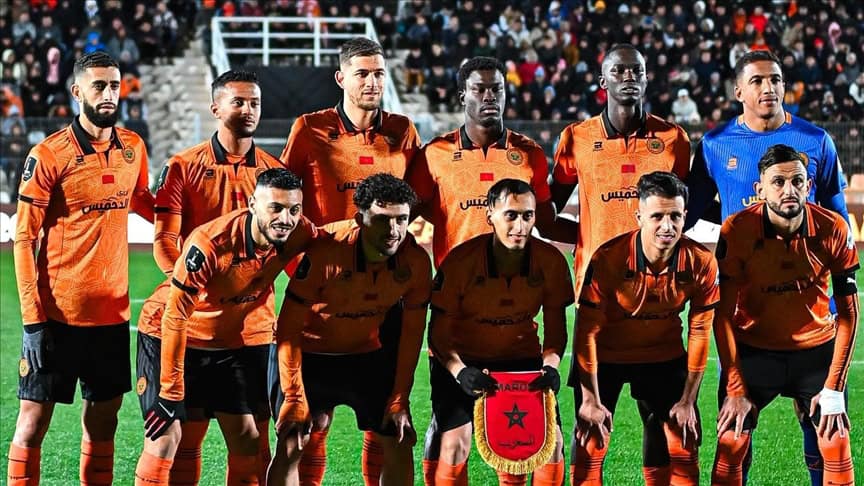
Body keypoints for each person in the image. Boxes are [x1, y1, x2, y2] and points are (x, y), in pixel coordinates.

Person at [684, 50, 850, 485]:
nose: (768, 88)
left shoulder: (816, 140)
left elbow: (838, 219)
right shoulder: (715, 145)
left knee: (826, 432)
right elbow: (690, 211)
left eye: (775, 79)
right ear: (738, 91)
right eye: (757, 81)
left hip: (809, 310)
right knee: (735, 434)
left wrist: (835, 295)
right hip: (746, 317)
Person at [404, 56, 572, 483]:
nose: (490, 96)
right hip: (457, 313)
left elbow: (547, 221)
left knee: (529, 439)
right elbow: (405, 219)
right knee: (450, 436)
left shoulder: (528, 154)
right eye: (480, 88)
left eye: (497, 88)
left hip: (515, 316)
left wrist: (608, 234)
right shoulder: (435, 155)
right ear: (463, 95)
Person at [278, 36, 421, 486]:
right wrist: (301, 267)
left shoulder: (402, 131)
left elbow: (415, 202)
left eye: (379, 73)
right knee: (311, 425)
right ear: (341, 78)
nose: (372, 82)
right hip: (322, 291)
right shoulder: (309, 129)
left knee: (386, 424)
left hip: (383, 298)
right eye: (362, 74)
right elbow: (284, 199)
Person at [8, 51, 153, 486]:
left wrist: (191, 218)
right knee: (33, 422)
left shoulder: (133, 147)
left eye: (115, 86)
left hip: (111, 317)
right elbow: (24, 238)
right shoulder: (49, 154)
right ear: (77, 92)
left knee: (103, 424)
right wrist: (33, 322)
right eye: (99, 86)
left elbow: (144, 201)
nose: (109, 94)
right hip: (56, 319)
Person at [135, 69, 284, 485]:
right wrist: (193, 282)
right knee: (177, 436)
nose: (248, 109)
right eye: (238, 102)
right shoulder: (183, 166)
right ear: (216, 108)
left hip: (248, 330)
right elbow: (164, 241)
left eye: (254, 102)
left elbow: (291, 246)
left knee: (252, 441)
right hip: (186, 323)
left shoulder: (274, 173)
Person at [549, 44, 690, 482]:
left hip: (658, 304)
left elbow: (684, 212)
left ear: (646, 79)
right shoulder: (576, 138)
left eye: (636, 70)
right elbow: (548, 214)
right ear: (602, 81)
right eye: (619, 70)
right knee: (590, 426)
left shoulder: (673, 140)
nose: (629, 77)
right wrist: (588, 240)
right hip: (599, 306)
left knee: (662, 424)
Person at [133, 169, 318, 486]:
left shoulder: (299, 232)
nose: (285, 219)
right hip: (169, 333)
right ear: (252, 204)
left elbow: (334, 240)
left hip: (228, 342)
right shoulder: (210, 243)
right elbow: (175, 315)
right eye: (275, 208)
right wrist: (170, 391)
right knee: (166, 434)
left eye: (294, 209)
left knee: (247, 438)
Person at [269, 173, 431, 486]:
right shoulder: (326, 249)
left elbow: (411, 334)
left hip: (365, 355)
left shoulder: (415, 262)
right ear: (360, 219)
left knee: (399, 437)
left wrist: (400, 398)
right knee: (292, 441)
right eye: (382, 220)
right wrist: (294, 395)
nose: (394, 231)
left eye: (401, 220)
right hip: (309, 356)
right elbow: (288, 326)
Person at [710, 144, 858, 485]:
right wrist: (735, 388)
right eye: (778, 182)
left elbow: (849, 313)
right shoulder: (737, 230)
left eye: (797, 181)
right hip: (754, 351)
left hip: (816, 352)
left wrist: (834, 388)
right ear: (760, 189)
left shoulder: (833, 228)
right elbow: (723, 314)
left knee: (834, 439)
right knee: (732, 438)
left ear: (809, 186)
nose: (789, 189)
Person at [572, 171, 718, 486]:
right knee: (590, 439)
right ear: (639, 217)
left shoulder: (701, 261)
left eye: (675, 216)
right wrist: (589, 398)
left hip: (662, 354)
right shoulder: (608, 258)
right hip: (606, 355)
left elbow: (700, 331)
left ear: (686, 216)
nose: (667, 226)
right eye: (657, 217)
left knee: (682, 439)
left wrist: (688, 400)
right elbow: (586, 332)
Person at [428, 178, 573, 486]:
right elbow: (438, 334)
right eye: (511, 215)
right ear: (490, 215)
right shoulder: (461, 261)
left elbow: (556, 331)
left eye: (528, 216)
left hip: (521, 360)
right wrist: (460, 372)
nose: (520, 226)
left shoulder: (551, 261)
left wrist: (551, 366)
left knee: (553, 445)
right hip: (462, 360)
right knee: (455, 444)